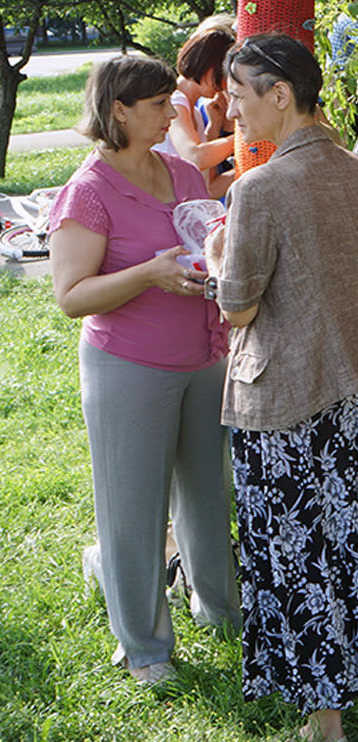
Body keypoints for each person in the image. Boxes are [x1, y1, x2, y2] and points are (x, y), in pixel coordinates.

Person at [205, 34, 358, 742]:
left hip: (291, 400)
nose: (233, 108)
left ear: (280, 94)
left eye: (241, 93)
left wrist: (221, 252)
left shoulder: (259, 187)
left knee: (307, 552)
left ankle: (326, 719)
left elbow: (238, 307)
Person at [48, 55, 239, 687]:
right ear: (119, 111)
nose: (170, 113)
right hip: (128, 366)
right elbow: (72, 295)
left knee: (209, 497)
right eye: (158, 105)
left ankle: (220, 611)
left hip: (203, 357)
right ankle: (145, 647)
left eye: (168, 102)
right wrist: (149, 275)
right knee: (133, 509)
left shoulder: (183, 172)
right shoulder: (90, 191)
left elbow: (207, 246)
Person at [161, 22, 238, 198]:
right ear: (209, 65)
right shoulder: (174, 100)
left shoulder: (194, 112)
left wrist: (213, 128)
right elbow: (194, 158)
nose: (224, 84)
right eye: (222, 74)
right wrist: (243, 139)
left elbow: (208, 189)